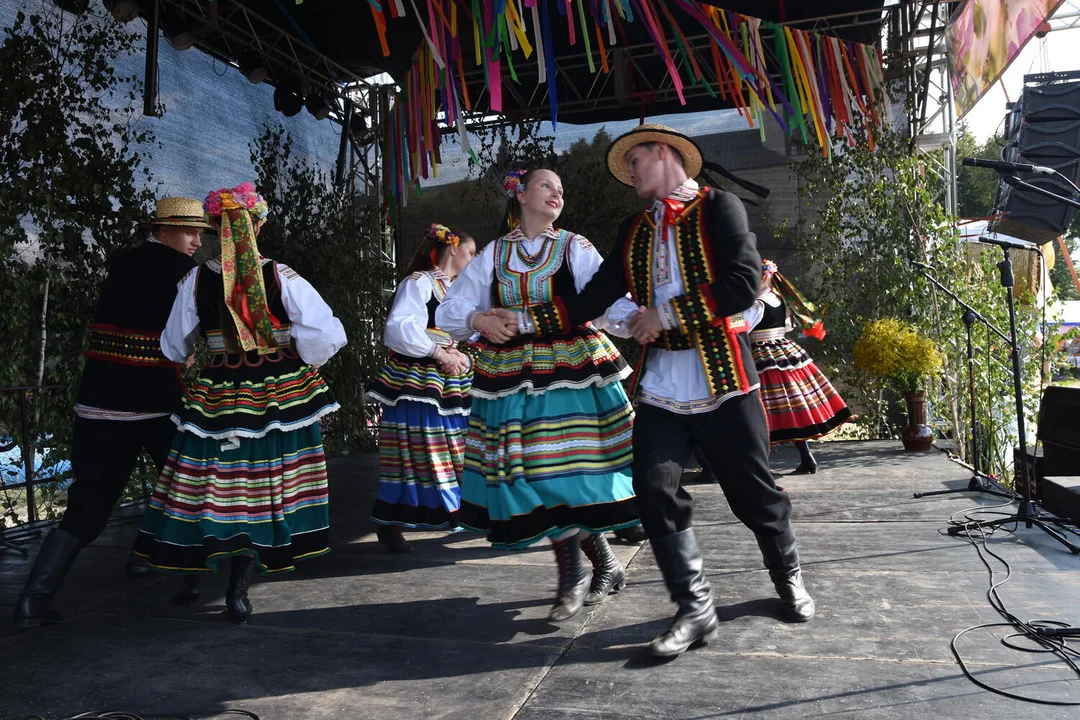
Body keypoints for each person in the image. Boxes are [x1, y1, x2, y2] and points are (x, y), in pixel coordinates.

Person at [506, 125, 815, 658]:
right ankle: (694, 609)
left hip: (723, 378)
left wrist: (663, 314)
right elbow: (592, 297)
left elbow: (741, 283)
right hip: (662, 387)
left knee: (752, 493)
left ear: (666, 154)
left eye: (636, 160)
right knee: (653, 489)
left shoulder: (720, 209)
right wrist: (519, 321)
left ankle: (787, 574)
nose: (630, 172)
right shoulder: (633, 230)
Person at [133, 183, 346, 624]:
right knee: (262, 488)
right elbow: (326, 335)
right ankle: (237, 591)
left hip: (220, 392)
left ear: (214, 228)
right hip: (276, 395)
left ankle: (190, 577)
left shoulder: (196, 279)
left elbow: (173, 345)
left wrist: (204, 346)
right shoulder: (282, 275)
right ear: (260, 225)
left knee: (203, 484)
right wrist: (293, 357)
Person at [436, 168, 641, 622]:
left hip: (571, 368)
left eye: (561, 190)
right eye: (547, 185)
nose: (556, 194)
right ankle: (600, 562)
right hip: (511, 373)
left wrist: (650, 321)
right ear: (521, 194)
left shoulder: (574, 246)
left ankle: (575, 574)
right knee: (529, 475)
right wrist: (478, 321)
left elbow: (607, 301)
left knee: (563, 474)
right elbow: (452, 307)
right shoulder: (494, 252)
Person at [13, 197, 209, 629]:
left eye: (200, 232)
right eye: (189, 231)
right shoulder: (186, 274)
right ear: (162, 230)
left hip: (99, 402)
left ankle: (33, 599)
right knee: (185, 490)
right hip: (156, 402)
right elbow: (193, 335)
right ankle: (189, 583)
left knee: (89, 504)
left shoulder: (122, 262)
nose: (197, 240)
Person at [366, 224, 477, 552]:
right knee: (416, 453)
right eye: (471, 252)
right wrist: (438, 352)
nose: (473, 260)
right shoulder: (419, 283)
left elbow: (473, 338)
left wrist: (462, 358)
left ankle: (458, 512)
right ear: (453, 249)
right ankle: (390, 521)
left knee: (460, 449)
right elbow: (399, 329)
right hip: (418, 381)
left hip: (450, 380)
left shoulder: (457, 292)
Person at [752, 259, 852, 473]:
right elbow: (787, 326)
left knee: (764, 410)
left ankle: (762, 466)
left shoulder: (757, 303)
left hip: (761, 355)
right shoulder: (780, 300)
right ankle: (806, 458)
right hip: (783, 350)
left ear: (763, 277)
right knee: (792, 406)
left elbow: (744, 327)